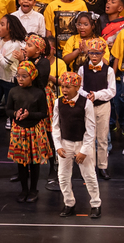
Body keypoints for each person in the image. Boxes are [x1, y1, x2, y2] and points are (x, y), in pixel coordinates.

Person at [52, 70, 101, 218]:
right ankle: (69, 203)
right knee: (63, 175)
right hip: (65, 143)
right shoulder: (58, 102)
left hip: (81, 143)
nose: (64, 90)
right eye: (63, 86)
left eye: (68, 87)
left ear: (77, 87)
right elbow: (55, 126)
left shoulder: (86, 103)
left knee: (89, 175)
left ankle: (96, 203)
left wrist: (84, 150)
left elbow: (90, 129)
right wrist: (58, 146)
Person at [6, 59, 50, 202]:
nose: (20, 79)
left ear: (32, 76)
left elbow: (44, 113)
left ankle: (33, 189)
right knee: (21, 162)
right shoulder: (13, 91)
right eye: (18, 75)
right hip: (19, 130)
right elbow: (8, 109)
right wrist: (15, 114)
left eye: (24, 76)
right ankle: (24, 189)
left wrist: (29, 115)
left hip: (34, 130)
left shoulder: (39, 93)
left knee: (34, 162)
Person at [77, 37, 116, 180]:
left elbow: (112, 90)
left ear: (103, 53)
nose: (94, 56)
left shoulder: (109, 70)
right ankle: (90, 166)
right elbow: (79, 88)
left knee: (102, 137)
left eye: (97, 53)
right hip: (88, 106)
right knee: (89, 137)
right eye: (91, 53)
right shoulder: (82, 69)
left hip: (103, 106)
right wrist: (87, 95)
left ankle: (102, 166)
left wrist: (97, 95)